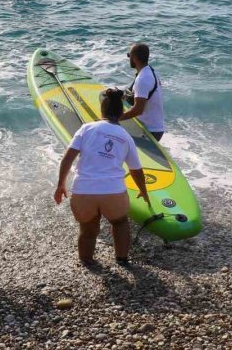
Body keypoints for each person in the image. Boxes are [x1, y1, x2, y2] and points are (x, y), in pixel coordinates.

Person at [54, 89, 151, 267]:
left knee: (88, 229)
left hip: (84, 191)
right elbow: (136, 170)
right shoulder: (126, 137)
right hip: (112, 192)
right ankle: (121, 259)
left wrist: (61, 184)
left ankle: (87, 262)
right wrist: (143, 191)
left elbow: (68, 158)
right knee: (120, 223)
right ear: (122, 113)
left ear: (102, 111)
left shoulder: (86, 128)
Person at [121, 44, 165, 141]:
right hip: (152, 126)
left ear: (135, 58)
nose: (129, 58)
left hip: (150, 130)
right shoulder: (149, 71)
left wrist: (116, 118)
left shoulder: (143, 79)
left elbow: (138, 110)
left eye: (129, 55)